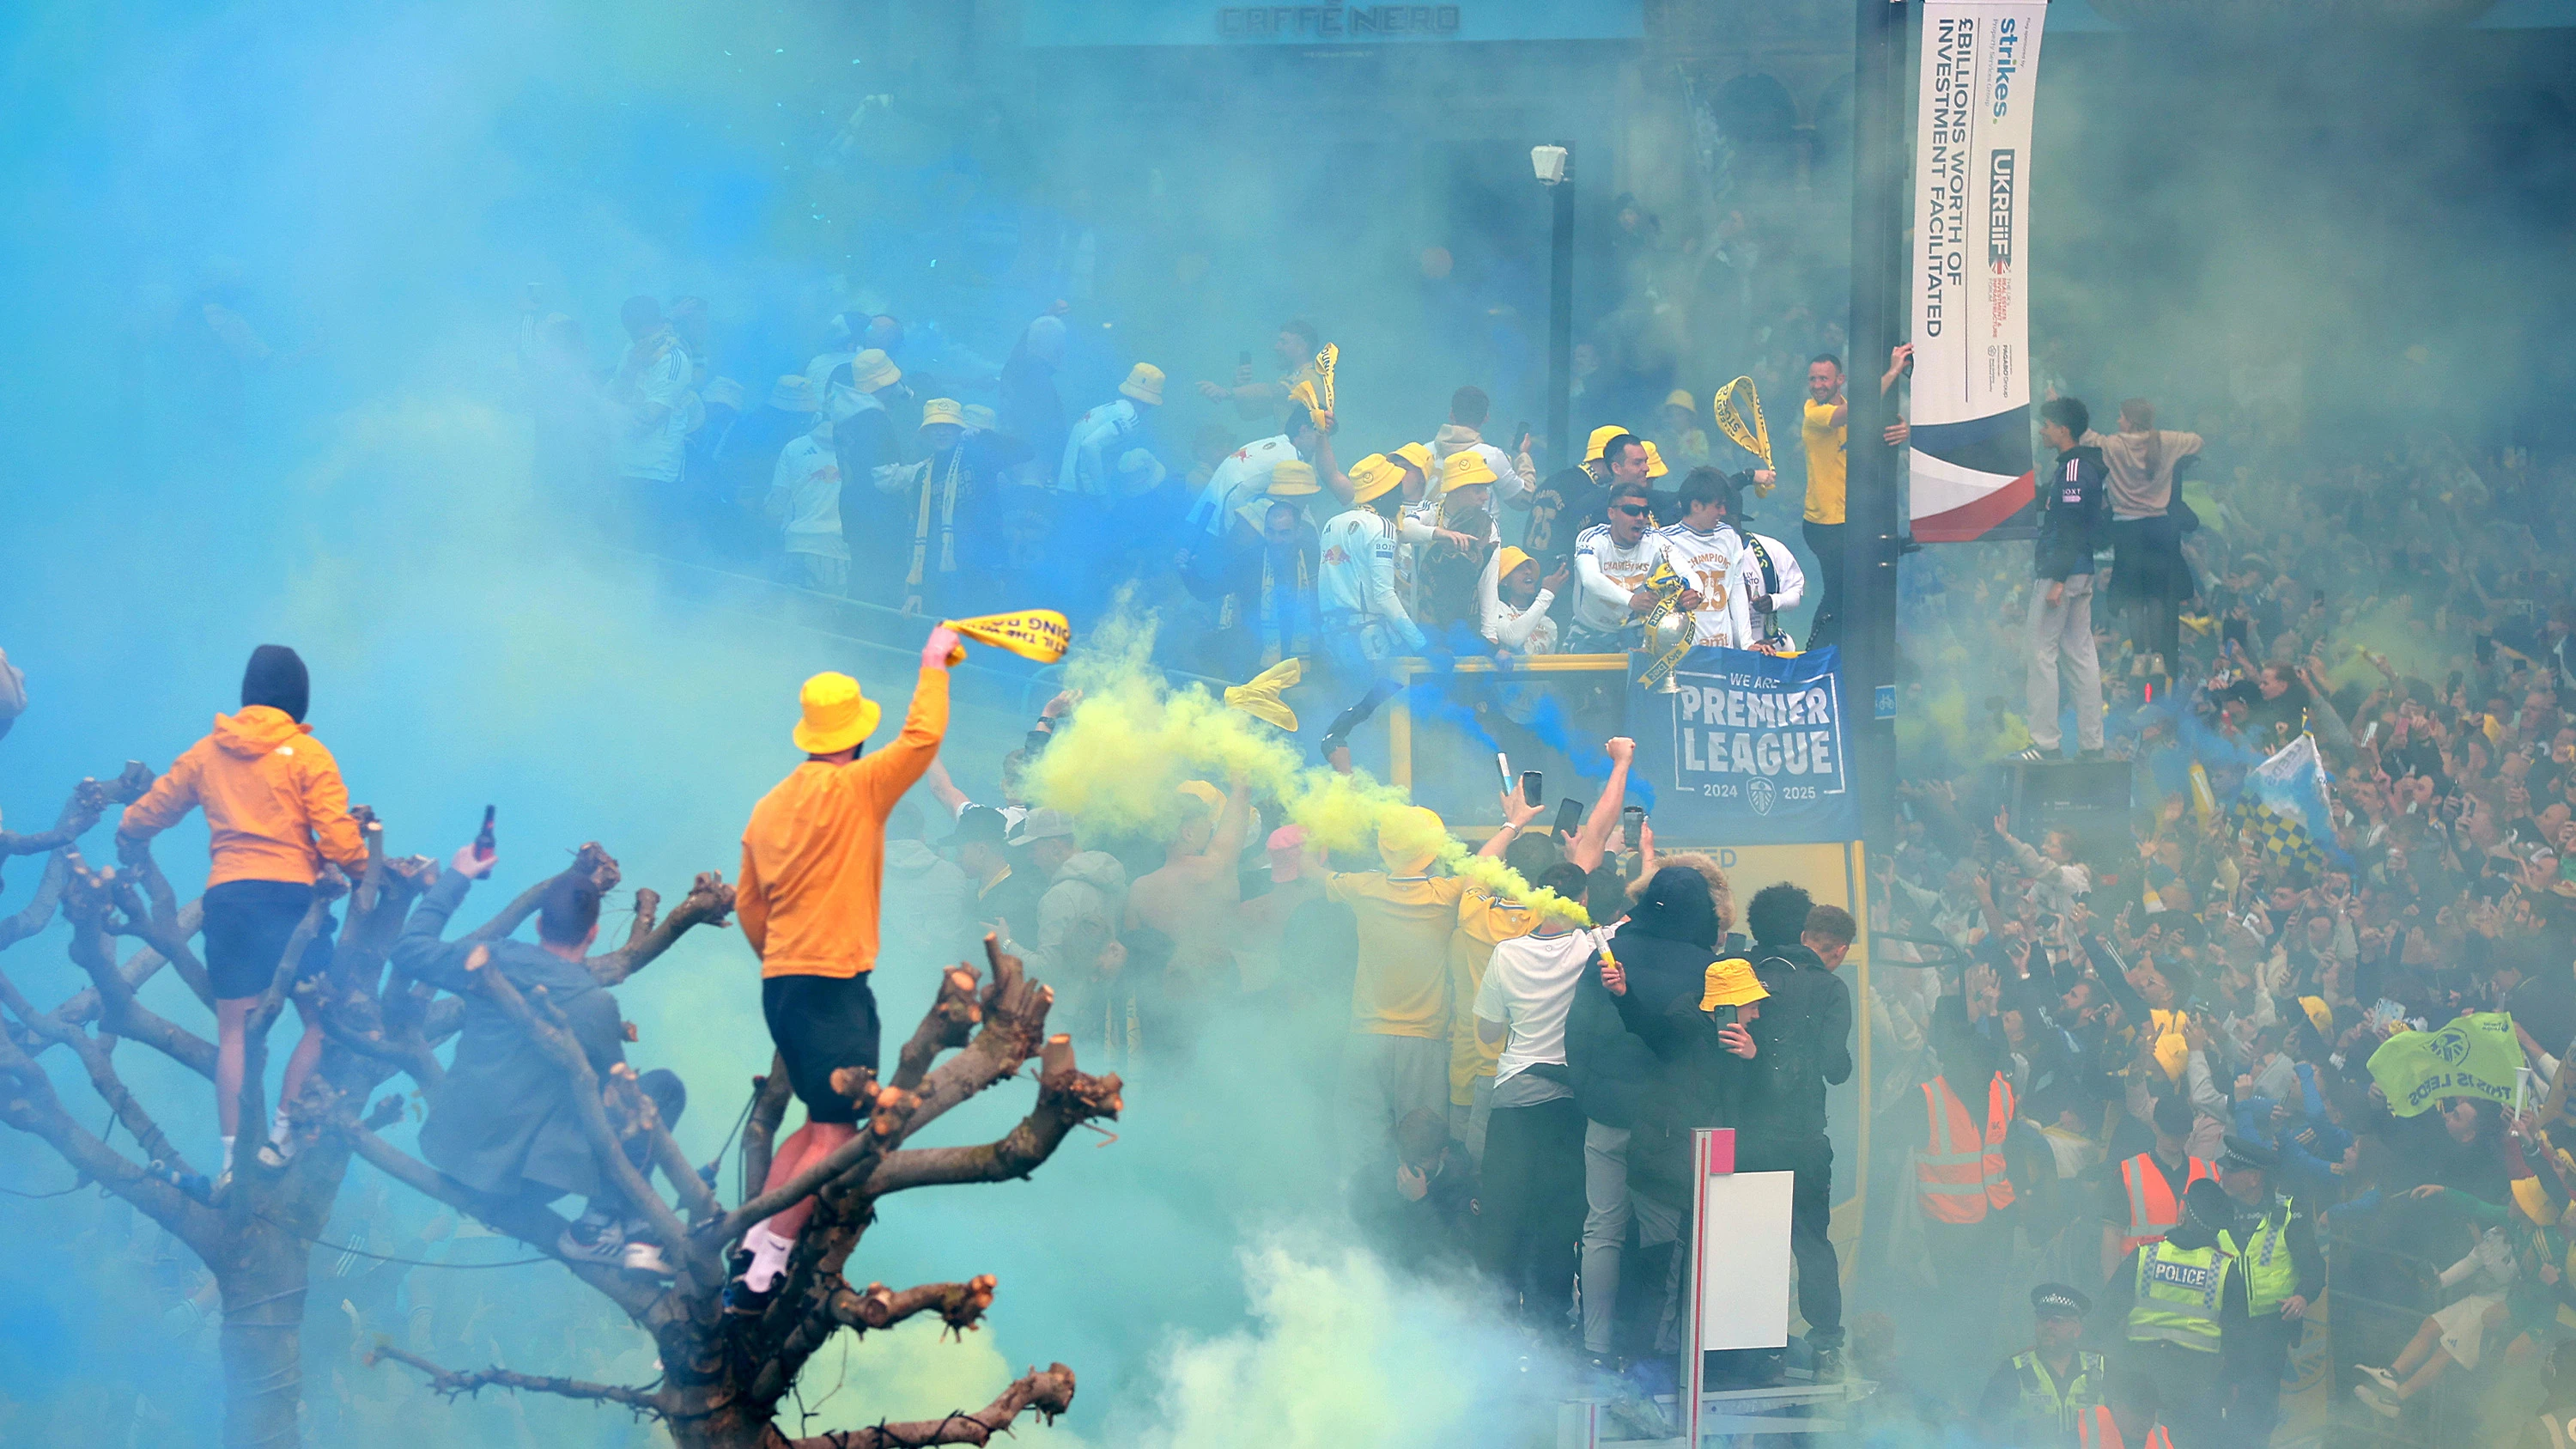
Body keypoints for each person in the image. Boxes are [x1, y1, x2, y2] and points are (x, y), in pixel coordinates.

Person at [729, 626, 959, 1309]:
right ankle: (767, 1266)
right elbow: (921, 737)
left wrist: (780, 958)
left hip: (781, 983)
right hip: (833, 985)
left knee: (810, 1123)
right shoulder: (858, 787)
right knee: (835, 1134)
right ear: (855, 735)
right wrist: (934, 664)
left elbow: (748, 905)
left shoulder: (768, 806)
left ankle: (751, 1243)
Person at [117, 644, 365, 1181]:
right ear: (299, 700)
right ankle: (283, 1135)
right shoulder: (308, 754)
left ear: (247, 694)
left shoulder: (207, 753)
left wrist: (128, 829)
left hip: (229, 900)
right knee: (324, 1020)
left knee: (235, 1034)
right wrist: (366, 867)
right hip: (293, 902)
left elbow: (150, 811)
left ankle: (232, 1161)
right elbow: (339, 838)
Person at [392, 845, 689, 1276]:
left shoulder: (490, 958)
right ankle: (598, 1227)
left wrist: (458, 875)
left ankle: (631, 1229)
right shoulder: (594, 1004)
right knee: (660, 1091)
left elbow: (409, 948)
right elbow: (617, 1100)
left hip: (451, 1152)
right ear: (593, 933)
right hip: (520, 1185)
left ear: (538, 924)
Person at [1562, 855, 1738, 1366]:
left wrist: (1586, 1091)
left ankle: (1596, 1345)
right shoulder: (1709, 969)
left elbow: (1578, 1029)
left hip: (1607, 1112)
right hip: (1668, 1128)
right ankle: (1653, 1349)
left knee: (1603, 1228)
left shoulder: (1610, 952)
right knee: (1664, 1241)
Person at [1328, 797, 1538, 1172]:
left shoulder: (1361, 887)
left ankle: (1357, 1205)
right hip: (1423, 1042)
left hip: (1364, 1038)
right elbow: (1482, 868)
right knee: (1420, 1147)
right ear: (1433, 850)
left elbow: (1313, 872)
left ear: (1385, 847)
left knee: (1358, 1150)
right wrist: (1513, 824)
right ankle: (1416, 1203)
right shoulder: (1447, 893)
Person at [1472, 861, 1607, 1337]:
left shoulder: (1505, 953)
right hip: (1569, 1102)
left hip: (1513, 1097)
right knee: (1559, 1217)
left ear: (1536, 899)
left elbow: (1487, 1030)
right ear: (1583, 900)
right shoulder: (1593, 946)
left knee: (1504, 1215)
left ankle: (1498, 1324)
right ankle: (1550, 1323)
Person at [1738, 888, 1856, 1376]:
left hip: (1746, 1132)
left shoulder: (1742, 972)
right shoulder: (1830, 989)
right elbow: (1835, 1067)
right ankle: (1825, 1346)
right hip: (1803, 1134)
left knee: (1753, 1239)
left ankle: (1758, 1347)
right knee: (1811, 1241)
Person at [2099, 1178, 2240, 1449]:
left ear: (2183, 1211)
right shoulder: (2225, 1270)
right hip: (2197, 1380)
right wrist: (2231, 1381)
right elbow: (2238, 1337)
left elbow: (2106, 1312)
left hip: (2140, 1373)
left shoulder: (2146, 1255)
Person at [2209, 1135, 2319, 1446]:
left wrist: (2302, 1297)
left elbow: (2313, 1267)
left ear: (2254, 1178)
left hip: (2269, 1331)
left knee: (2257, 1410)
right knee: (2217, 1404)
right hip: (2222, 1326)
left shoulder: (2288, 1212)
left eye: (2231, 1171)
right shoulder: (2215, 1209)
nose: (2223, 1176)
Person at [1124, 776, 1254, 1033]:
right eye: (1207, 823)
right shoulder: (1215, 870)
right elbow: (1242, 795)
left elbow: (1134, 959)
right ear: (1188, 833)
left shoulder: (1139, 889)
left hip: (1167, 1008)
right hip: (1220, 1003)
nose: (1212, 828)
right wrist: (1240, 775)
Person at [2087, 399, 2203, 677]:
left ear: (2129, 420)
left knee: (2134, 597)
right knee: (2155, 595)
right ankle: (2159, 657)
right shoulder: (2165, 441)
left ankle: (2140, 656)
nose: (2118, 422)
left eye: (2121, 417)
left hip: (2128, 530)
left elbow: (2086, 438)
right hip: (2159, 529)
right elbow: (2197, 441)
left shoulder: (2113, 445)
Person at [2026, 397, 2109, 761]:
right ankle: (2092, 745)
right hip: (2080, 570)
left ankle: (2045, 744)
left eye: (2046, 425)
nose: (2042, 431)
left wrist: (2057, 578)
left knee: (2040, 653)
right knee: (2080, 655)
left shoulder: (2074, 469)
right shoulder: (2076, 468)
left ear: (2063, 429)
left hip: (2062, 572)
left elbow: (2072, 524)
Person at [1316, 453, 1428, 685]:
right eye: (1396, 487)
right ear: (1385, 491)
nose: (1400, 497)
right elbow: (1384, 595)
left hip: (1332, 636)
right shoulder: (1382, 526)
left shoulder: (1332, 523)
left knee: (1347, 699)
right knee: (1386, 701)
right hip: (1369, 639)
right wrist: (1421, 644)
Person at [1977, 1283, 2108, 1448]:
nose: (2048, 1325)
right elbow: (1986, 1424)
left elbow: (2129, 1422)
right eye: (2043, 1319)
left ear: (2077, 1329)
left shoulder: (2101, 1368)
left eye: (2057, 1320)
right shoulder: (2013, 1370)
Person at [2102, 1093, 2215, 1284]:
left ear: (2189, 1134)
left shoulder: (2208, 1173)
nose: (2175, 1139)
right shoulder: (2128, 1173)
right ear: (2154, 1127)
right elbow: (2111, 1235)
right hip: (2140, 1278)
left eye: (2181, 1134)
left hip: (2192, 1280)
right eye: (2169, 1132)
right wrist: (2112, 1288)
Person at [1566, 478, 1687, 654]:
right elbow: (1590, 578)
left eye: (1645, 512)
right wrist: (1632, 600)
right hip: (1590, 633)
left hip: (1636, 633)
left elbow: (1685, 571)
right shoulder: (1591, 538)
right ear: (1611, 513)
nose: (1640, 518)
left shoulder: (1656, 539)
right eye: (1631, 511)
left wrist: (1694, 592)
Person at [609, 295, 693, 540]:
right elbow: (616, 393)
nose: (634, 337)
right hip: (623, 464)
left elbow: (645, 422)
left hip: (655, 471)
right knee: (620, 542)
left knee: (648, 543)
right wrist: (632, 367)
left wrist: (606, 412)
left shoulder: (674, 360)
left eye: (637, 331)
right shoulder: (633, 349)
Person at [829, 349, 908, 603]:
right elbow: (885, 478)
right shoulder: (874, 420)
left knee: (861, 582)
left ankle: (855, 625)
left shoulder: (844, 416)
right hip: (881, 519)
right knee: (884, 587)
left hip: (853, 512)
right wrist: (922, 470)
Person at [1654, 466, 1757, 652]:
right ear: (1696, 506)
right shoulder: (1663, 540)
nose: (1723, 512)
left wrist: (1747, 643)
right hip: (1681, 654)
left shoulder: (1729, 536)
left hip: (1724, 652)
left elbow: (1737, 590)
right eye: (1718, 506)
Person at [1529, 429, 1651, 569]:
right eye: (1637, 462)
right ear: (1615, 466)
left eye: (1645, 461)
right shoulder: (1589, 501)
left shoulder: (1554, 481)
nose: (1646, 468)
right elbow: (1571, 551)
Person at [765, 399, 846, 593]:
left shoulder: (793, 448)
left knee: (795, 609)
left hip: (797, 546)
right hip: (839, 549)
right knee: (832, 611)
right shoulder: (858, 450)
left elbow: (776, 505)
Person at [1799, 355, 1850, 648]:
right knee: (1837, 592)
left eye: (1823, 378)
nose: (1817, 385)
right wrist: (1892, 372)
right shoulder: (1814, 413)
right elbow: (1847, 415)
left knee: (1847, 593)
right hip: (1824, 523)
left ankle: (1835, 652)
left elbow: (1883, 423)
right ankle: (1815, 653)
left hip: (1846, 518)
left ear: (1840, 380)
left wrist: (1901, 427)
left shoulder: (1850, 409)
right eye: (1813, 379)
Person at [1058, 364, 1165, 497]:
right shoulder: (1129, 418)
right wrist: (1102, 493)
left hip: (1066, 485)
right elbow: (1089, 446)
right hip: (1082, 491)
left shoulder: (1106, 409)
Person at [1431, 385, 1536, 510]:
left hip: (1431, 523)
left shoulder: (1424, 452)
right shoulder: (1493, 457)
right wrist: (1524, 456)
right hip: (1479, 524)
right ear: (1486, 417)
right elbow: (1524, 500)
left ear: (1451, 414)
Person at [1198, 318, 1320, 419]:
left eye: (1283, 342)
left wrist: (1228, 392)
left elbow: (1273, 391)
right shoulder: (1285, 380)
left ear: (1302, 347)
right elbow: (1248, 414)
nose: (1276, 347)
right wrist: (1239, 385)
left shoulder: (1310, 377)